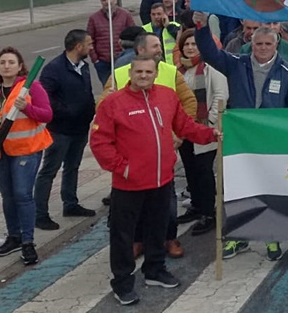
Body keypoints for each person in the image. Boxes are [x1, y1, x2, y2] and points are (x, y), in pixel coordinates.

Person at [90, 55, 219, 306]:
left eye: (148, 72)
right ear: (130, 73)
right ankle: (122, 283)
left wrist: (210, 134)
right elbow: (99, 142)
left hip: (162, 180)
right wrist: (122, 168)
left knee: (157, 229)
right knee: (123, 235)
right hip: (128, 185)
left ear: (156, 73)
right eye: (138, 72)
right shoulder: (113, 103)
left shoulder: (167, 97)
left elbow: (184, 126)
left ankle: (155, 270)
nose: (143, 76)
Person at [195, 16, 288, 262]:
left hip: (270, 143)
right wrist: (201, 28)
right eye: (258, 44)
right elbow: (211, 53)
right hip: (240, 140)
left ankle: (271, 235)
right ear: (250, 43)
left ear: (276, 44)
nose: (263, 48)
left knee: (269, 187)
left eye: (268, 44)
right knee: (236, 188)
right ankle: (237, 237)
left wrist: (283, 130)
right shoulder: (237, 64)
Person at [0, 47, 53, 265]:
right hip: (0, 154)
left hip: (27, 150)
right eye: (3, 62)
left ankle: (28, 242)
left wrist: (28, 108)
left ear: (20, 66)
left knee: (22, 195)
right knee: (8, 196)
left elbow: (47, 114)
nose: (6, 66)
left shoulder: (30, 88)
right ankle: (14, 237)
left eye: (11, 62)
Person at [34, 30, 97, 232]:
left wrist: (91, 110)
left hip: (80, 128)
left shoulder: (84, 67)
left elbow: (87, 93)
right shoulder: (54, 69)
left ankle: (70, 204)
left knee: (73, 167)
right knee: (49, 171)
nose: (92, 47)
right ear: (78, 46)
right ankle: (40, 214)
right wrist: (67, 112)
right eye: (89, 43)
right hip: (60, 130)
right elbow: (45, 98)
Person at [173, 30, 228, 236]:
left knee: (204, 172)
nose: (189, 48)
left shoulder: (211, 70)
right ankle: (196, 206)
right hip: (184, 131)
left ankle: (208, 213)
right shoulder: (178, 71)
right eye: (186, 44)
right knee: (190, 170)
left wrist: (210, 123)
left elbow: (220, 97)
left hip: (205, 131)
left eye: (194, 44)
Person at [87, 0, 136, 84]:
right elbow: (89, 39)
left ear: (115, 0)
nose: (107, 2)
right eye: (104, 0)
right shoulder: (94, 18)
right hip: (103, 62)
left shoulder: (125, 15)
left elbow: (133, 35)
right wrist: (95, 60)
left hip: (122, 58)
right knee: (107, 88)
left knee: (123, 85)